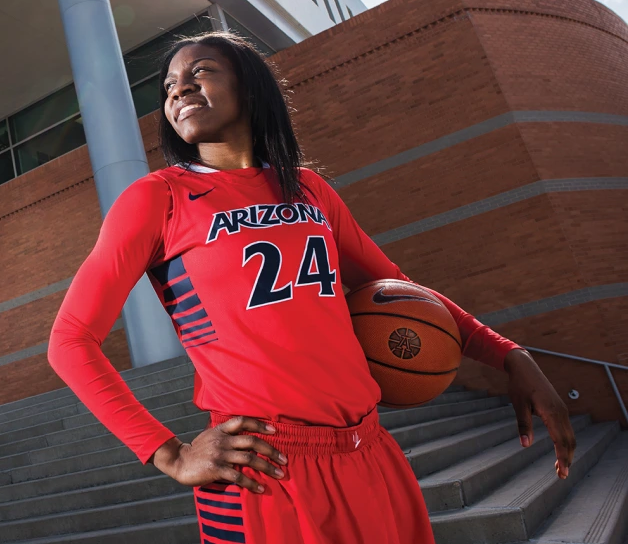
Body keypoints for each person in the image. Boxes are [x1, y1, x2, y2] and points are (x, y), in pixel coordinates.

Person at [48, 31, 576, 544]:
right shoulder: (158, 197)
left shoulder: (309, 190)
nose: (179, 89)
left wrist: (509, 354)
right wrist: (170, 453)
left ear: (251, 88)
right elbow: (70, 339)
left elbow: (400, 292)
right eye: (169, 86)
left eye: (200, 72)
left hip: (371, 452)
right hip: (263, 468)